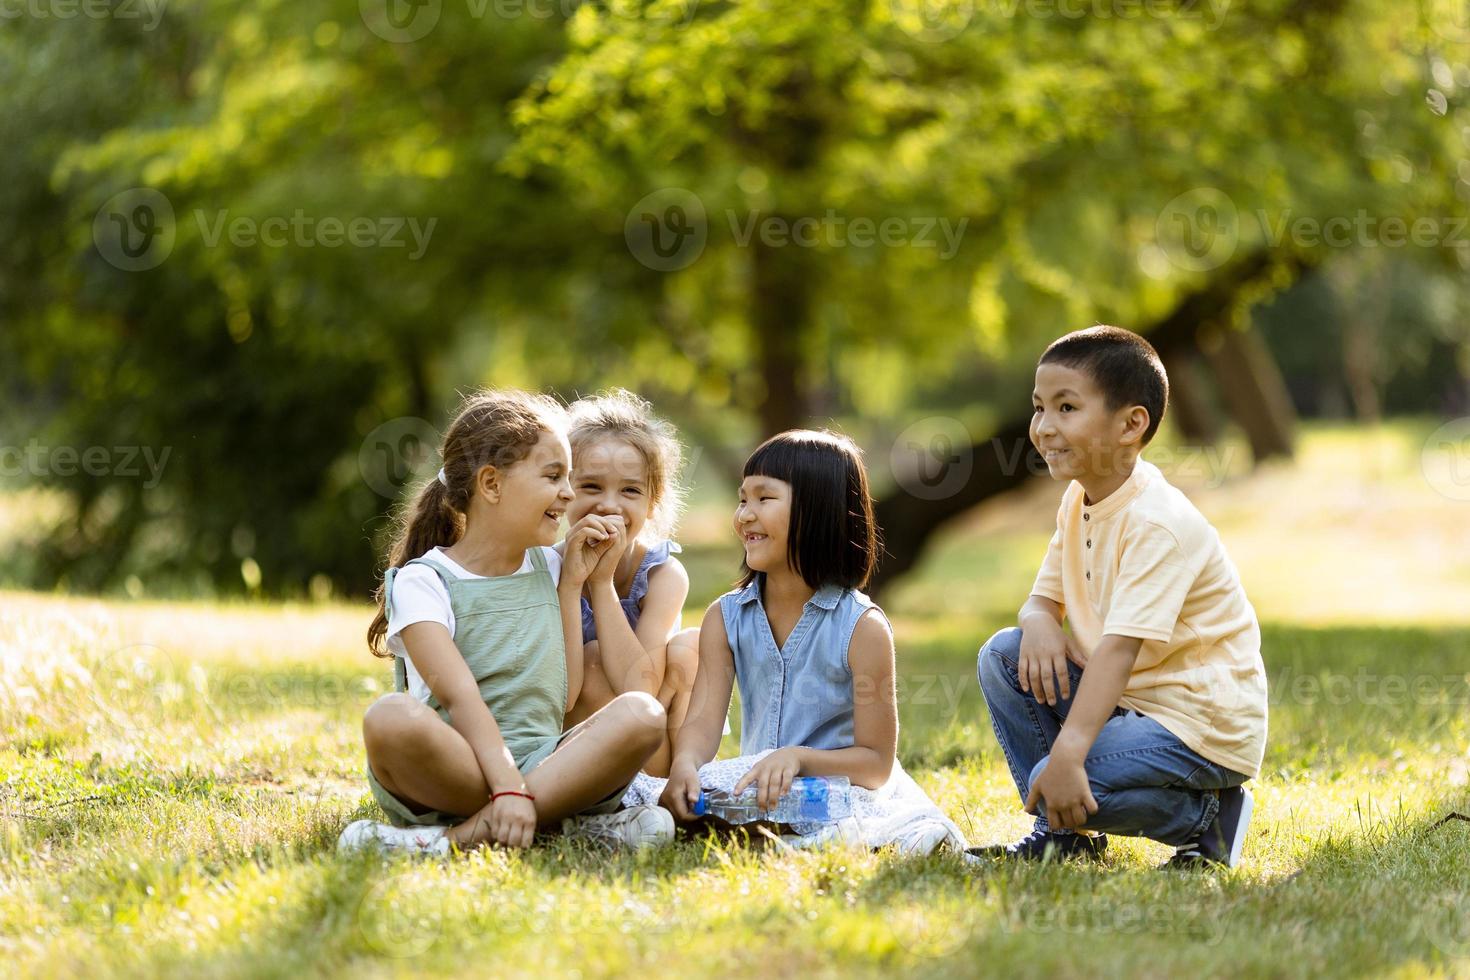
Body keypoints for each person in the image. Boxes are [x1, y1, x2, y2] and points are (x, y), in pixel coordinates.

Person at [973, 325, 1267, 868]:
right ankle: (1065, 839)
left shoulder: (1158, 523)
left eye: (1066, 408)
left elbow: (1117, 651)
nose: (1043, 428)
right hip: (1132, 705)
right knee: (1003, 656)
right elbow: (1041, 602)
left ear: (1132, 424)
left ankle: (1211, 821)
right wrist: (1038, 621)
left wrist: (1068, 752)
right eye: (1039, 408)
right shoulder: (1079, 498)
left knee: (1055, 777)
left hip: (1199, 722)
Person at [339, 390, 675, 856]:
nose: (570, 494)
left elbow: (568, 693)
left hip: (542, 759)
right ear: (492, 485)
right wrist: (509, 789)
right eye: (554, 476)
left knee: (643, 714)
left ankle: (454, 840)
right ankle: (556, 820)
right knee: (388, 717)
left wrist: (583, 582)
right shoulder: (424, 581)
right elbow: (460, 696)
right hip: (457, 764)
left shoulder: (554, 569)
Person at [655, 430, 966, 854]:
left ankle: (798, 842)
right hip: (762, 792)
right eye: (743, 499)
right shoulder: (724, 618)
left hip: (841, 791)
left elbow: (875, 765)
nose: (745, 514)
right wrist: (686, 764)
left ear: (817, 510)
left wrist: (799, 758)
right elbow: (704, 721)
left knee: (880, 825)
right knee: (652, 792)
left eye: (764, 499)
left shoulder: (862, 627)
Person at [560, 389, 699, 777]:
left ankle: (669, 783)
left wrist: (601, 584)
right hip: (574, 730)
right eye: (590, 487)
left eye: (630, 490)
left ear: (652, 504)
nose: (609, 505)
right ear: (564, 491)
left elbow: (641, 690)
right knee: (590, 657)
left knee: (691, 646)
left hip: (647, 738)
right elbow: (564, 696)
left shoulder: (663, 575)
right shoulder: (547, 567)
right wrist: (572, 586)